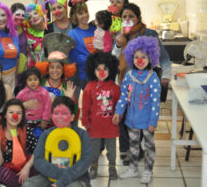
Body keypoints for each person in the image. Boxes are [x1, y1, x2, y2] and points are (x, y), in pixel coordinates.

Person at [112, 3, 172, 164]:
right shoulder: (119, 34)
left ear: (138, 17)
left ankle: (137, 149)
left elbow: (164, 57)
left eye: (131, 16)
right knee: (124, 119)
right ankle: (126, 151)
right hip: (123, 83)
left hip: (144, 84)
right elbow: (113, 59)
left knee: (139, 118)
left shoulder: (150, 34)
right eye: (124, 17)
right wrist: (118, 44)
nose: (127, 19)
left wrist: (166, 76)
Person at [112, 36, 161, 184]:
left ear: (150, 57)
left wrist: (153, 121)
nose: (139, 60)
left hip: (147, 121)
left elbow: (155, 102)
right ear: (131, 58)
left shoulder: (153, 78)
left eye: (144, 57)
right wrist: (118, 112)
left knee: (149, 146)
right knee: (133, 146)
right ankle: (133, 169)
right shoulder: (129, 76)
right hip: (131, 119)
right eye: (136, 57)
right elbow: (123, 97)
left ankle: (148, 170)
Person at [22, 96, 92, 187]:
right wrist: (59, 174)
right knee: (28, 184)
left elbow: (85, 162)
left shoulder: (82, 135)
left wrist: (62, 181)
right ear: (51, 116)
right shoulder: (46, 134)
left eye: (64, 113)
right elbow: (38, 159)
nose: (60, 117)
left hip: (75, 178)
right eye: (56, 113)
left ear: (72, 117)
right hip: (48, 176)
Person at [82, 51, 120, 180]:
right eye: (98, 69)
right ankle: (93, 166)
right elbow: (85, 105)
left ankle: (112, 167)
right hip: (94, 125)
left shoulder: (115, 88)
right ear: (93, 70)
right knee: (94, 148)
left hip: (111, 125)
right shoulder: (89, 87)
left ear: (112, 69)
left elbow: (119, 106)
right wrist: (85, 120)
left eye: (105, 68)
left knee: (112, 149)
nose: (102, 72)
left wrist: (119, 116)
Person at [0, 98, 38, 186]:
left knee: (40, 165)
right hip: (9, 171)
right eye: (11, 112)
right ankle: (23, 184)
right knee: (2, 173)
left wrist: (27, 167)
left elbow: (37, 151)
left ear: (22, 115)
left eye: (18, 113)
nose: (15, 116)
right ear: (5, 115)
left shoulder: (26, 129)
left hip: (24, 168)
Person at [68, 0, 96, 89]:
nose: (85, 15)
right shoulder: (72, 34)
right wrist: (95, 59)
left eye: (86, 12)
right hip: (85, 77)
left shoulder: (96, 29)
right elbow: (75, 58)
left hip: (101, 75)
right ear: (75, 16)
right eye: (80, 13)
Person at [11, 3, 29, 85]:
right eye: (17, 14)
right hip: (10, 72)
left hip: (24, 72)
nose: (20, 17)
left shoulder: (25, 29)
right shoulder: (5, 31)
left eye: (23, 15)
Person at [23, 3, 46, 67]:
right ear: (28, 22)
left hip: (50, 70)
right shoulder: (27, 33)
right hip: (34, 70)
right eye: (30, 17)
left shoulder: (50, 28)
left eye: (35, 13)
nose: (34, 17)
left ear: (41, 14)